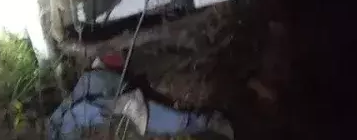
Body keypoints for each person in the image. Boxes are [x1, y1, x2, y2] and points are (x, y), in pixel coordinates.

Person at [48, 52, 234, 139]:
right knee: (169, 127)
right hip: (116, 112)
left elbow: (87, 111)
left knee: (174, 122)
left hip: (121, 105)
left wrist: (117, 108)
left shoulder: (64, 125)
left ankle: (211, 120)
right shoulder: (60, 124)